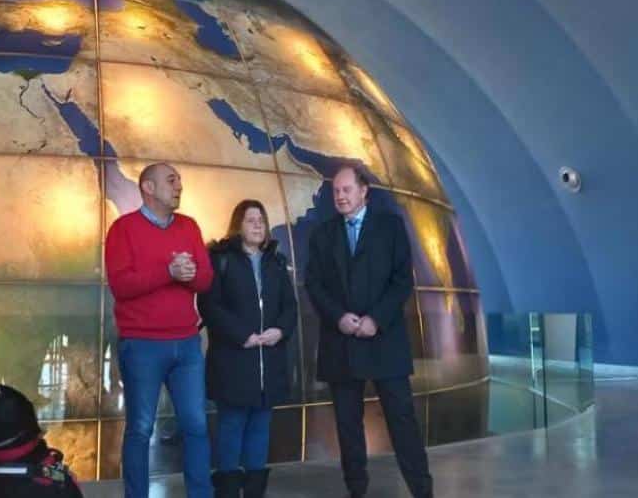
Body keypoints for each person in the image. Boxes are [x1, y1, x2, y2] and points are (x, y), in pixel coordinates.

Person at [305, 164, 433, 498]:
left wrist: (376, 319)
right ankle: (356, 490)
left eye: (347, 190)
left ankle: (422, 490)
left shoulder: (391, 228)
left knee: (402, 422)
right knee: (348, 427)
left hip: (384, 340)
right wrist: (339, 317)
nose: (340, 196)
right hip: (341, 342)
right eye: (336, 191)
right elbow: (315, 284)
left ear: (364, 192)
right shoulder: (323, 234)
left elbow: (402, 280)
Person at [104, 162, 215, 498]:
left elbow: (205, 280)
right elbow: (121, 286)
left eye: (179, 180)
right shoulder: (123, 230)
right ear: (148, 188)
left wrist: (189, 273)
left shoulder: (189, 227)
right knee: (140, 428)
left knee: (196, 426)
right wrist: (168, 272)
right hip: (142, 346)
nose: (179, 186)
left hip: (187, 344)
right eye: (171, 180)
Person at [200, 200, 298, 498]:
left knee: (260, 428)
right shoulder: (220, 259)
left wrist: (279, 331)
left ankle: (255, 491)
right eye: (250, 219)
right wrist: (242, 335)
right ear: (237, 225)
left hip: (268, 361)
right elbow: (209, 306)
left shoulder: (276, 262)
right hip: (233, 361)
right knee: (232, 426)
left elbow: (289, 307)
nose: (257, 224)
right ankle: (228, 490)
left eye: (261, 220)